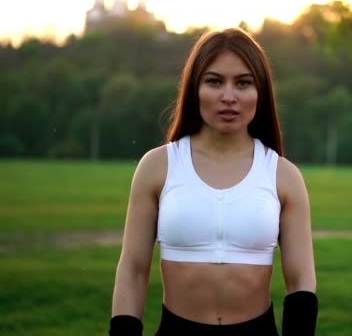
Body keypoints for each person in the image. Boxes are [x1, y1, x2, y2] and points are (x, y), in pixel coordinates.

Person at [109, 27, 317, 335]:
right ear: (195, 88)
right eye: (214, 81)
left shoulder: (283, 176)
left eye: (243, 83)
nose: (229, 97)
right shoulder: (158, 167)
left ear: (260, 91)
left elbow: (301, 282)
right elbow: (133, 271)